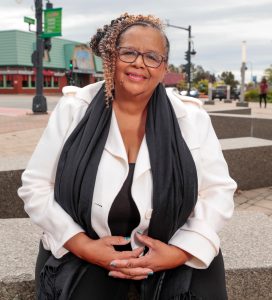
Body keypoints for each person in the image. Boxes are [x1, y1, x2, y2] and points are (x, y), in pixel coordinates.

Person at [18, 13, 237, 300]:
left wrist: (180, 251)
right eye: (129, 52)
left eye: (151, 57)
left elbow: (218, 191)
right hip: (86, 247)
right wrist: (83, 245)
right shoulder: (74, 109)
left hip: (174, 244)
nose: (139, 63)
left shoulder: (191, 117)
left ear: (163, 67)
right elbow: (35, 186)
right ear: (111, 57)